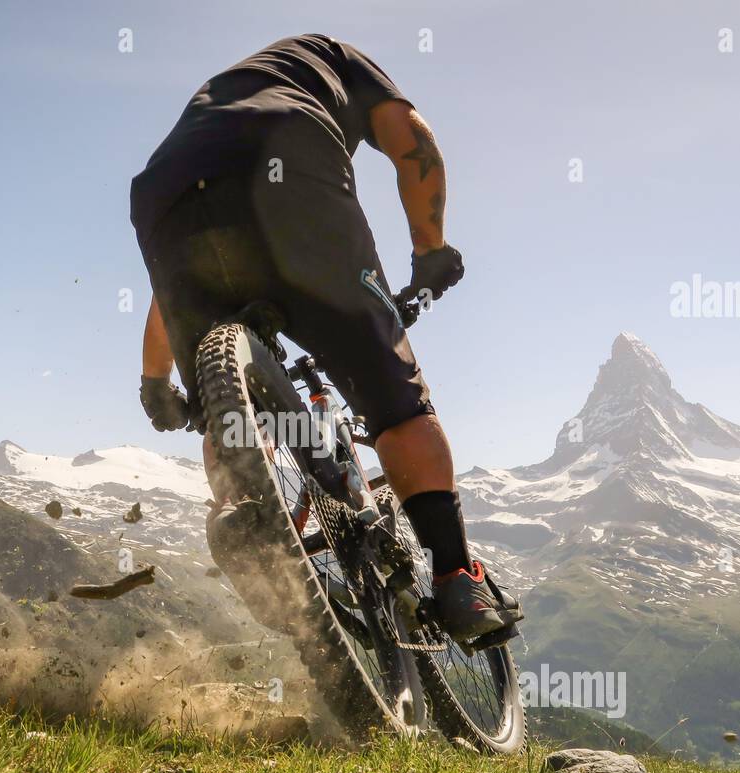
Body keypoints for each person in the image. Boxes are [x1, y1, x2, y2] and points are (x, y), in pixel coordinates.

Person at [131, 34, 512, 644]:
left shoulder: (214, 106)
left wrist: (157, 383)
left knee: (220, 416)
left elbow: (167, 285)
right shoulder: (333, 55)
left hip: (164, 196)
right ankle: (455, 577)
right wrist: (431, 253)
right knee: (394, 401)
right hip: (289, 153)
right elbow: (414, 144)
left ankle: (244, 514)